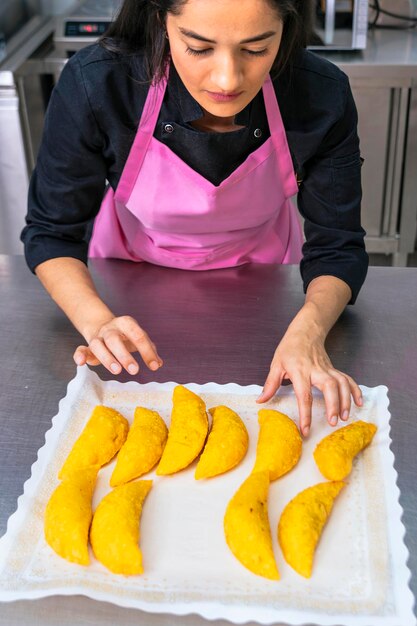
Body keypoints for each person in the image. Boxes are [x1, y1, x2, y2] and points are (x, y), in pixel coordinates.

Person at [21, 0, 368, 437]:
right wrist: (97, 321)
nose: (227, 78)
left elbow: (338, 246)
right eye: (199, 48)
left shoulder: (320, 93)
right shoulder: (99, 83)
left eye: (257, 49)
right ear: (160, 21)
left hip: (265, 282)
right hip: (129, 275)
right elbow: (51, 233)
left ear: (288, 27)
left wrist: (310, 330)